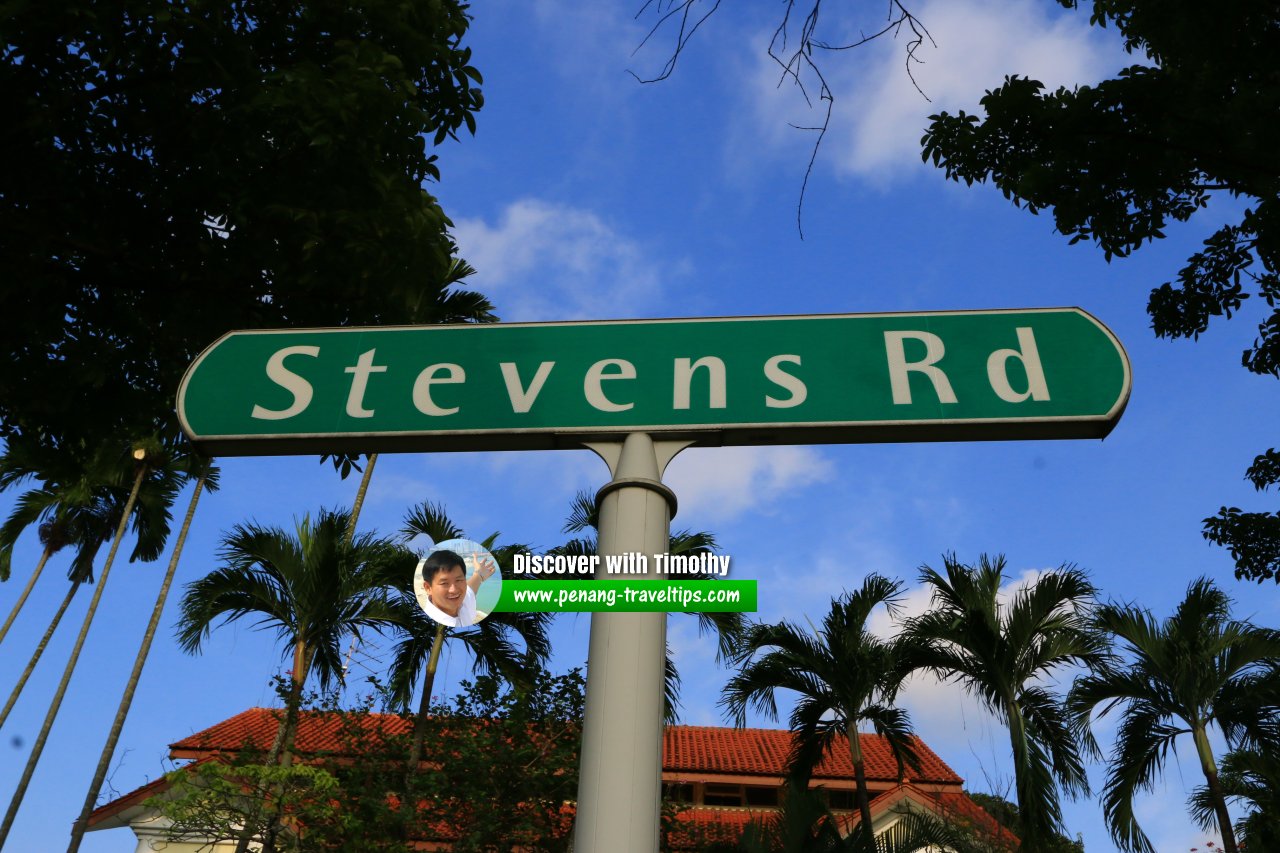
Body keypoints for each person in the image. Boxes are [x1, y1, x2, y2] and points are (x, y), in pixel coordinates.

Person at [416, 548, 496, 627]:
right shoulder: (429, 624)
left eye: (458, 580)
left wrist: (479, 574)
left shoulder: (463, 602)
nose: (454, 590)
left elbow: (470, 588)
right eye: (444, 583)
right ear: (428, 588)